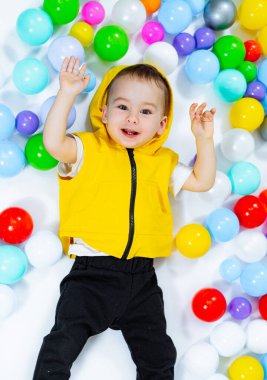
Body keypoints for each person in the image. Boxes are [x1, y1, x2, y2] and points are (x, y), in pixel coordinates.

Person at [33, 56, 216, 380]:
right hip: (91, 274)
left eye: (146, 111)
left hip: (142, 280)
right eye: (122, 107)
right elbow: (53, 143)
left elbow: (203, 181)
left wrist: (203, 139)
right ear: (104, 112)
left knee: (159, 356)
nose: (133, 117)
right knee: (59, 347)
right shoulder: (88, 150)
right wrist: (67, 93)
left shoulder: (163, 163)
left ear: (161, 123)